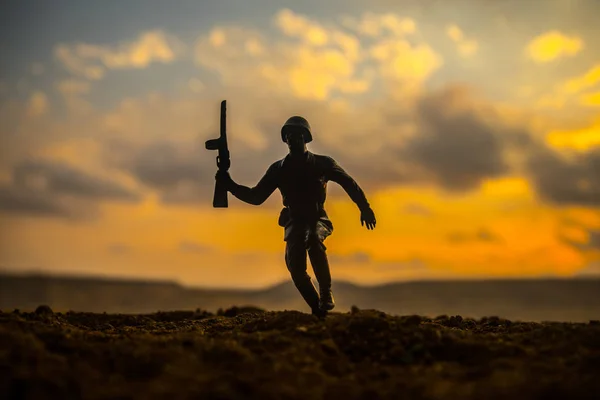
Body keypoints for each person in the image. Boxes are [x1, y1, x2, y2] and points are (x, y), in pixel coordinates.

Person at [215, 116, 376, 317]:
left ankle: (326, 293)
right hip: (294, 220)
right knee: (296, 268)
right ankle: (318, 309)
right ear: (285, 140)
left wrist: (365, 208)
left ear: (306, 138)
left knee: (314, 239)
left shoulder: (322, 163)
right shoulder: (279, 169)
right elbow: (256, 197)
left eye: (297, 135)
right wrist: (229, 185)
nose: (292, 138)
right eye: (288, 135)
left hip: (318, 218)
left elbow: (349, 183)